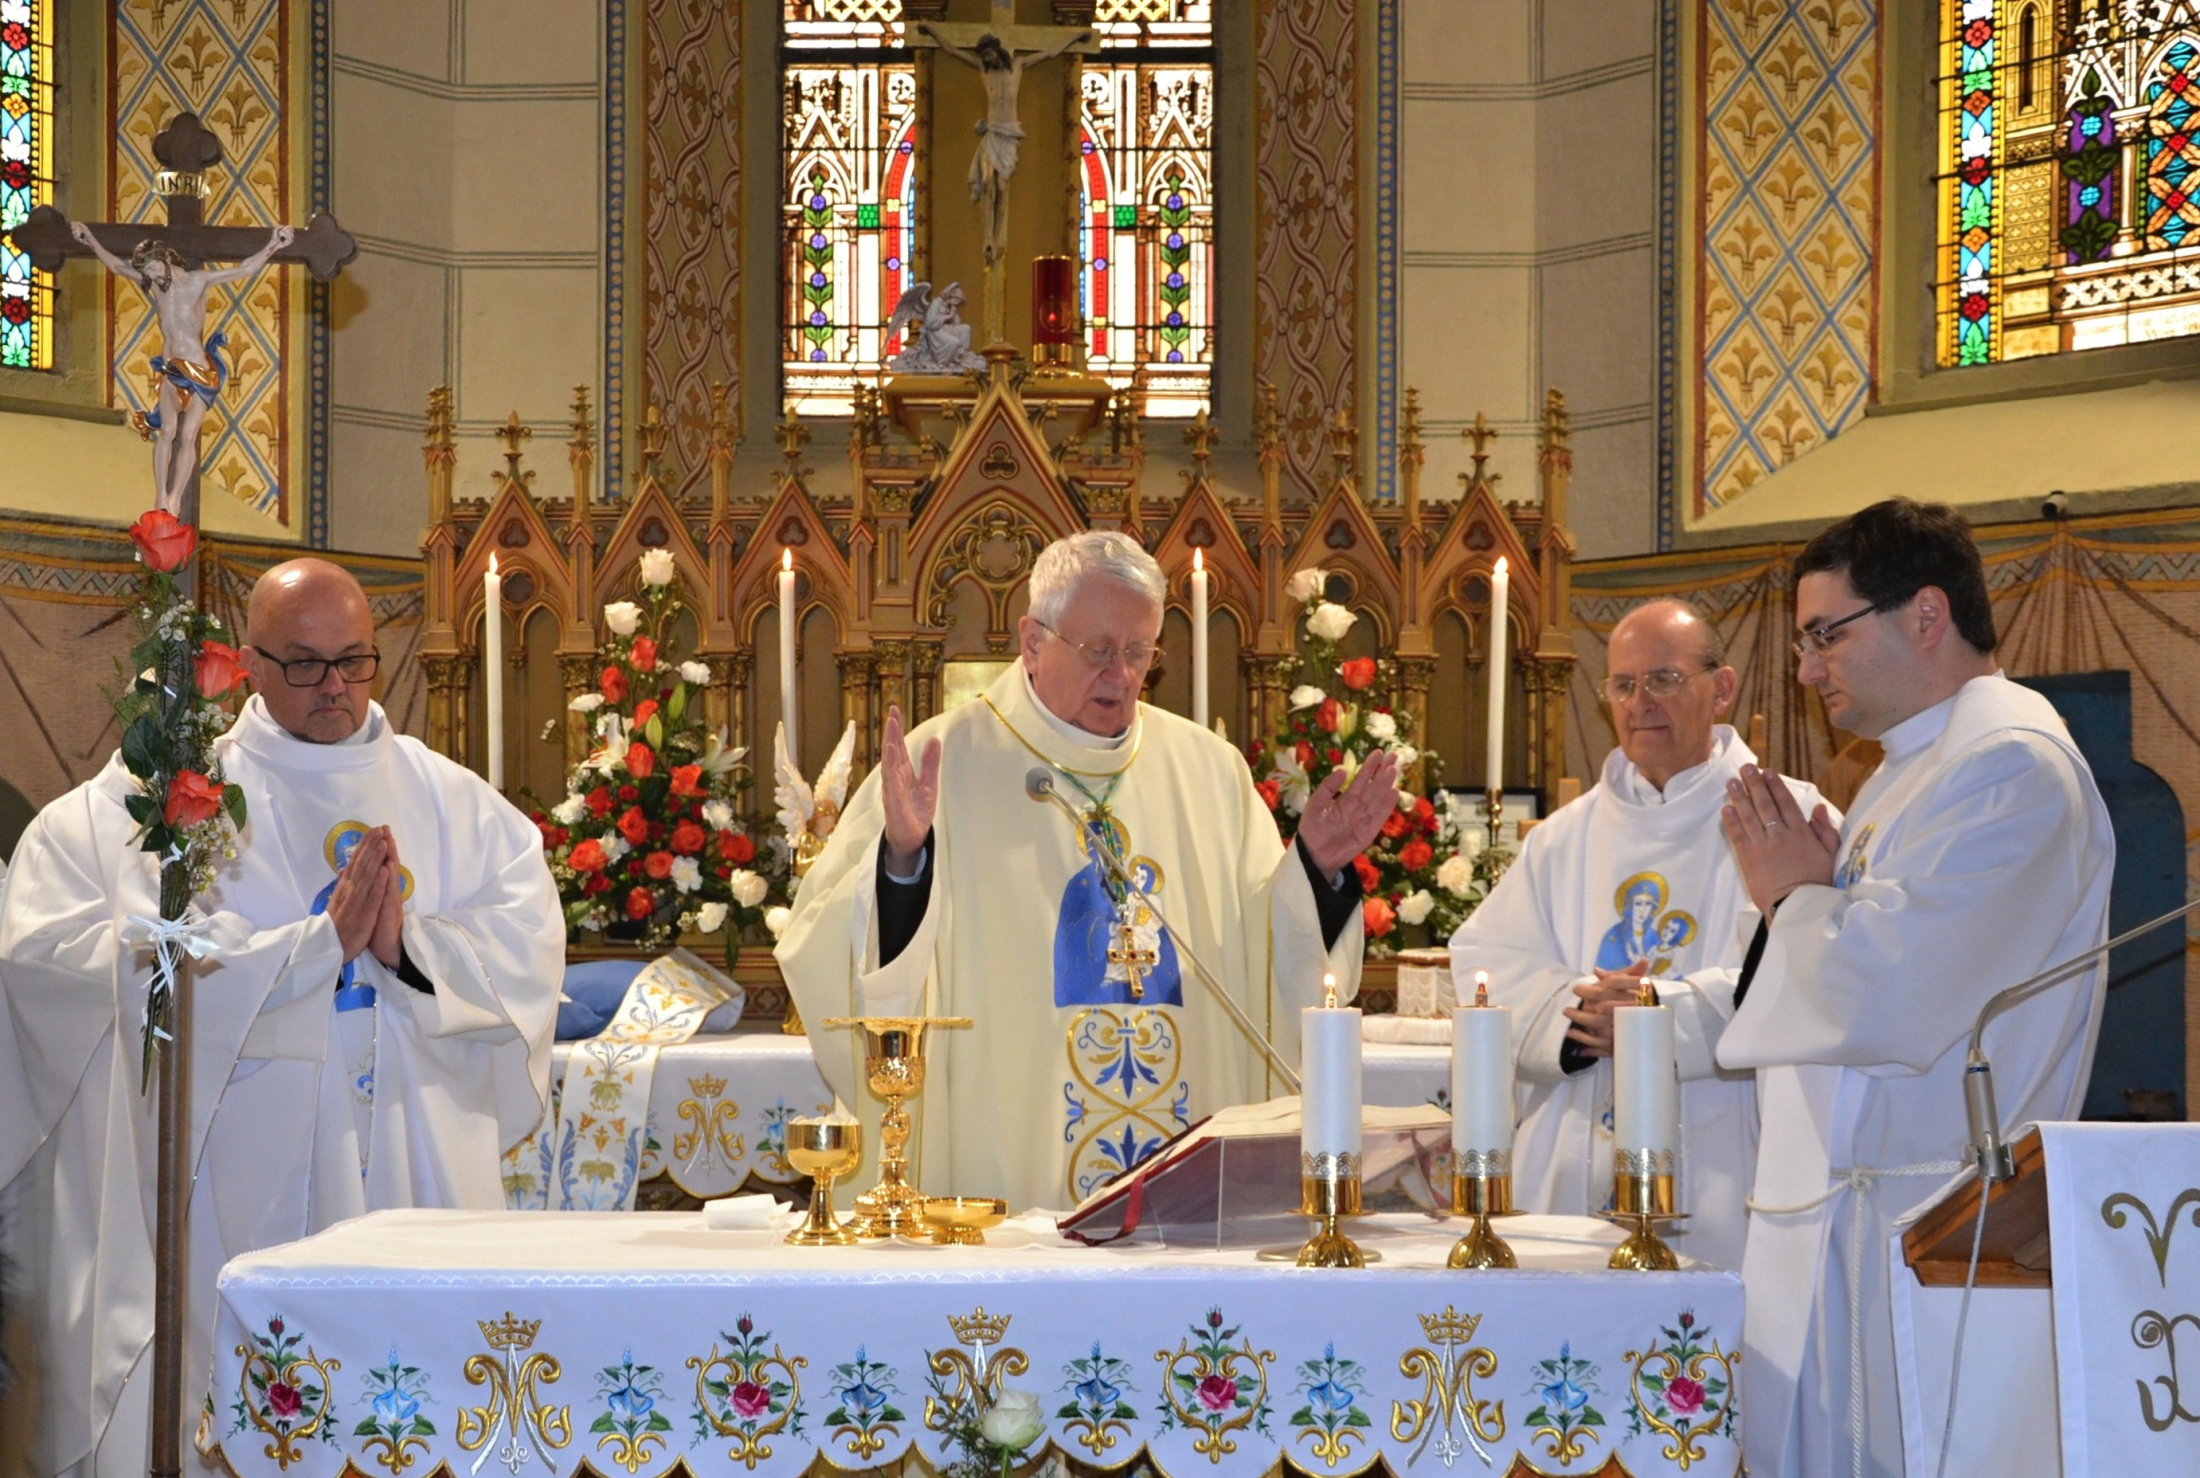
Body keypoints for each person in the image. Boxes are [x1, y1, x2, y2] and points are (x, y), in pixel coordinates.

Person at [0, 558, 561, 1476]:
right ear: (248, 664)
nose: (334, 685)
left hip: (409, 1159)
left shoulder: (457, 805)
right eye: (303, 663)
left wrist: (406, 950)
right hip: (240, 1179)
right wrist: (306, 954)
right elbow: (69, 951)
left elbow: (525, 948)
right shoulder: (172, 798)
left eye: (355, 660)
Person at [777, 532, 1396, 1211]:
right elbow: (829, 946)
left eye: (1140, 652)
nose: (1122, 675)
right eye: (1098, 651)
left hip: (1183, 1177)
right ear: (1031, 642)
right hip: (1004, 1177)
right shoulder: (941, 760)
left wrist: (1315, 870)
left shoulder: (1208, 771)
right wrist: (902, 859)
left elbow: (1264, 959)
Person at [1716, 499, 2111, 1478]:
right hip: (1852, 1225)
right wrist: (1806, 899)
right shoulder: (1907, 770)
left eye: (1825, 636)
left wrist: (1793, 895)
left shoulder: (2010, 767)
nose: (1807, 670)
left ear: (1926, 614)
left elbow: (1887, 998)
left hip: (1933, 1238)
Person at [1449, 598, 1830, 1268]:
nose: (1639, 703)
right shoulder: (1563, 837)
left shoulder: (1789, 818)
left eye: (1663, 680)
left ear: (1722, 688)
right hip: (1571, 1155)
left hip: (1724, 1148)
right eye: (1622, 685)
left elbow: (1816, 969)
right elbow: (1486, 960)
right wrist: (1577, 1020)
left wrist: (1657, 1017)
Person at [68, 222, 295, 516]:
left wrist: (274, 244)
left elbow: (244, 270)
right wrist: (90, 240)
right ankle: (161, 496)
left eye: (152, 269)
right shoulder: (156, 288)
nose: (151, 276)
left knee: (188, 435)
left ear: (164, 259)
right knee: (167, 430)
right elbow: (117, 267)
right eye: (147, 273)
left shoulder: (198, 281)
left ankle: (175, 497)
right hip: (172, 369)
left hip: (199, 371)